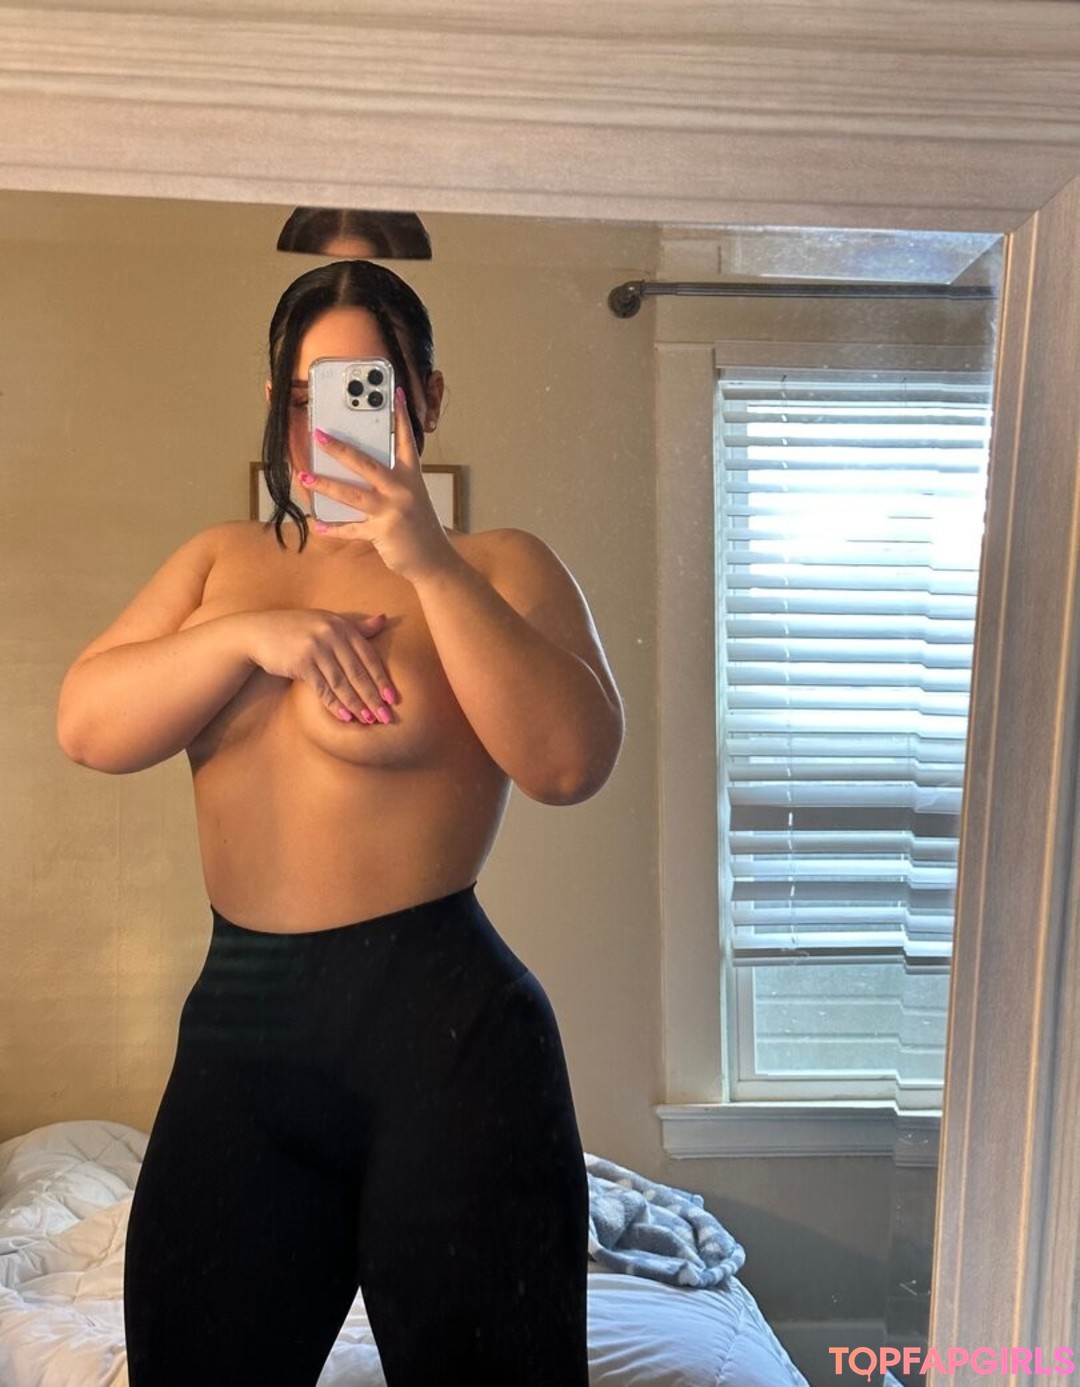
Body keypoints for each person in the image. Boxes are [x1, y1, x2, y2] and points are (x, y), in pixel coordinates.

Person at [56, 259, 623, 1387]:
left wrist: (427, 561)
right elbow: (86, 723)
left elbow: (570, 762)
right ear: (279, 400)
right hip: (242, 1043)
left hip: (453, 1047)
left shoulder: (499, 566)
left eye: (367, 386)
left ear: (426, 397)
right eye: (307, 391)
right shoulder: (219, 563)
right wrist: (246, 638)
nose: (332, 419)